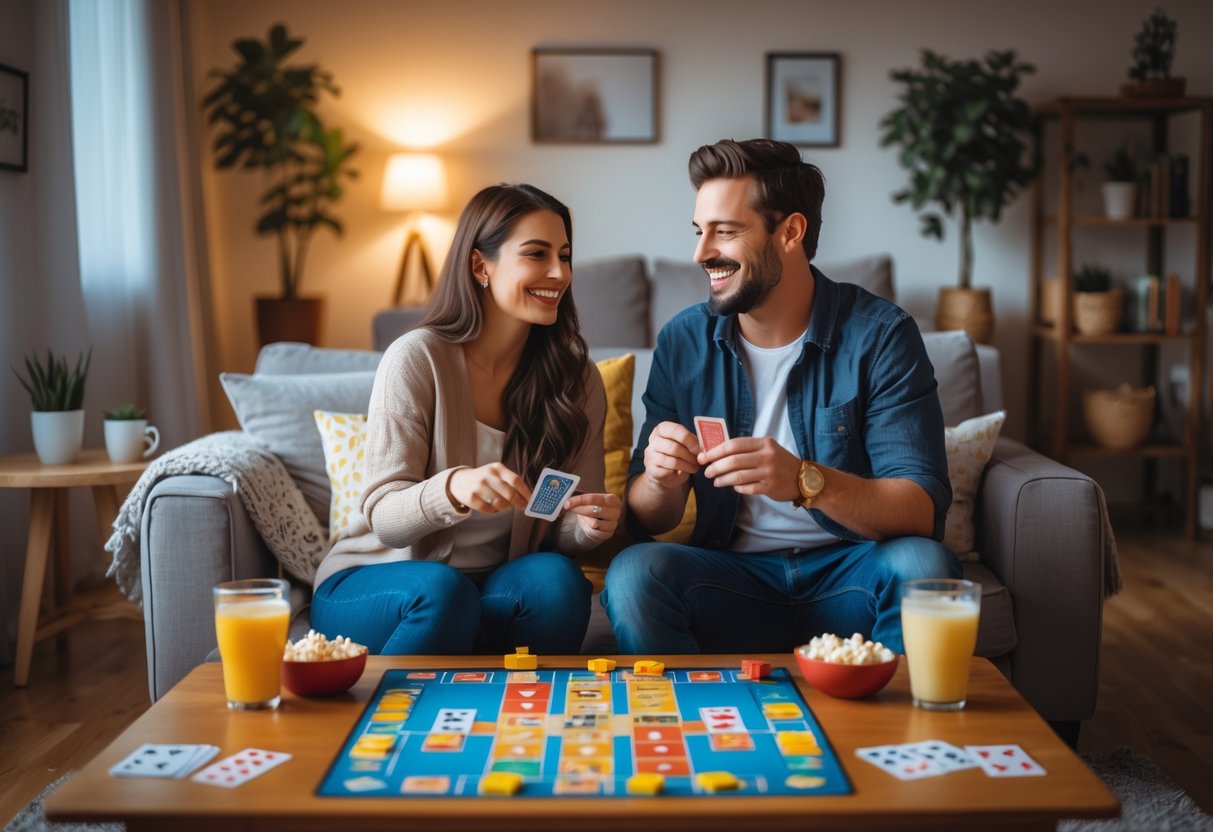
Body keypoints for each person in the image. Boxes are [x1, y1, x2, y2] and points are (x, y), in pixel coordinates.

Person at [602, 139, 959, 655]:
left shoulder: (881, 336)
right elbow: (647, 518)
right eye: (700, 232)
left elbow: (922, 509)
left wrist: (803, 481)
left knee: (923, 566)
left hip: (850, 569)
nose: (701, 254)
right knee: (635, 573)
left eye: (725, 232)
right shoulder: (684, 341)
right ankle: (692, 727)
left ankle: (890, 731)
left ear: (791, 232)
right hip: (731, 577)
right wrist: (659, 479)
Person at [311, 183, 622, 655]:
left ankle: (515, 710)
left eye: (565, 255)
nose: (559, 273)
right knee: (443, 593)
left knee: (558, 583)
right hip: (379, 582)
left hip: (492, 587)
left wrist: (588, 527)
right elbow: (385, 518)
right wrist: (452, 488)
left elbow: (561, 528)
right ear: (481, 264)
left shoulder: (576, 380)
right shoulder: (417, 358)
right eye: (536, 254)